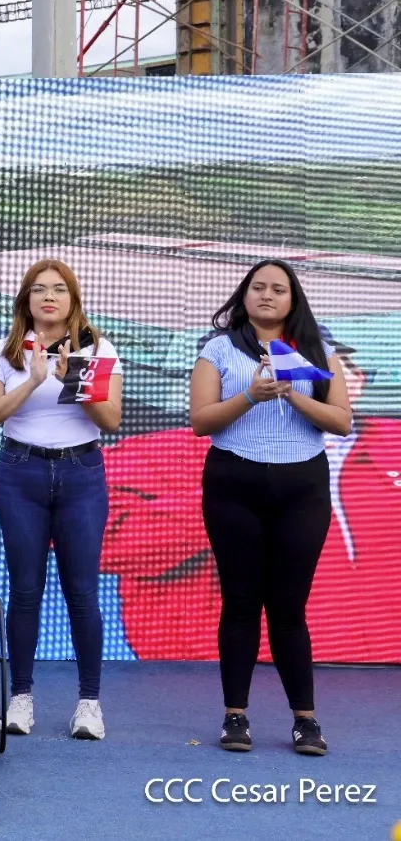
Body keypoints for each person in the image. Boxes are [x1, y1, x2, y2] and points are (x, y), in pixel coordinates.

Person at [98, 329, 401, 665]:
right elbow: (92, 532)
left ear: (355, 380)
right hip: (208, 670)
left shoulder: (393, 443)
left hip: (380, 671)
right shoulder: (165, 452)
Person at [189, 260, 350, 756]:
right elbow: (201, 420)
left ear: (292, 299)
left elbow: (341, 421)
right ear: (245, 295)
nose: (267, 296)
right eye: (258, 287)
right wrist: (251, 395)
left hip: (302, 486)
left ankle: (305, 721)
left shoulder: (318, 352)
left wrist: (293, 396)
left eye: (278, 289)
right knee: (240, 602)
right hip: (233, 483)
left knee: (288, 607)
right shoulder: (218, 349)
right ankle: (235, 715)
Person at [0, 258, 122, 741]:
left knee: (81, 591)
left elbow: (111, 420)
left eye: (59, 289)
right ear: (26, 300)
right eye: (38, 290)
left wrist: (71, 380)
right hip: (22, 471)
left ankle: (89, 703)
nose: (48, 297)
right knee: (25, 589)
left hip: (81, 472)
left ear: (73, 299)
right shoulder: (5, 352)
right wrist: (34, 379)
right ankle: (21, 697)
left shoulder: (98, 349)